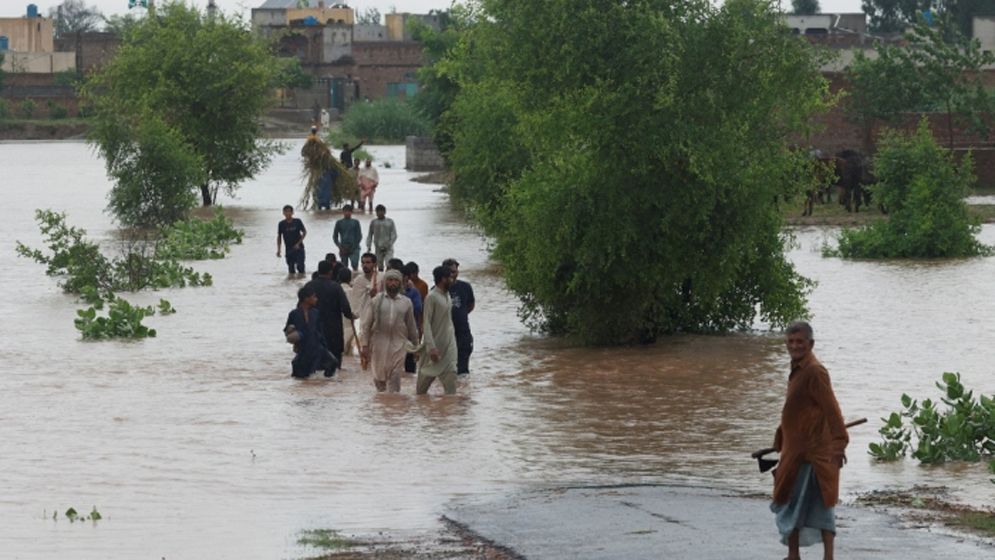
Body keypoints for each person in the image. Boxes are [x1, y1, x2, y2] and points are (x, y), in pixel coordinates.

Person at [769, 321, 849, 560]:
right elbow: (797, 410)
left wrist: (839, 444)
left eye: (800, 342)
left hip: (813, 453)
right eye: (791, 342)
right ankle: (794, 556)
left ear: (810, 344)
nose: (795, 346)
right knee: (792, 503)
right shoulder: (798, 368)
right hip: (795, 451)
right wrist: (781, 439)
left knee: (817, 507)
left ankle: (827, 557)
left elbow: (832, 410)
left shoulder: (815, 371)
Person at [359, 269, 419, 393]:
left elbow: (411, 325)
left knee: (395, 375)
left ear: (400, 283)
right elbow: (366, 324)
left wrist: (416, 346)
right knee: (379, 378)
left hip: (399, 344)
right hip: (378, 343)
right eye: (390, 280)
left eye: (396, 280)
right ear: (385, 282)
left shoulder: (406, 302)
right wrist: (364, 345)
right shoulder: (376, 300)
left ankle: (394, 404)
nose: (393, 283)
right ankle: (384, 405)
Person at [304, 260, 356, 369]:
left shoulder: (309, 286)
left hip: (314, 328)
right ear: (331, 272)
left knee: (315, 361)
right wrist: (351, 316)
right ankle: (334, 383)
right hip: (333, 329)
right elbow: (345, 307)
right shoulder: (336, 287)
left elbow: (301, 307)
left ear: (318, 271)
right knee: (335, 360)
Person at [416, 266, 458, 395]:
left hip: (449, 348)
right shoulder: (432, 297)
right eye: (450, 278)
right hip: (434, 349)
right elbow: (426, 324)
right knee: (421, 392)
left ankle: (450, 413)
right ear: (442, 279)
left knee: (451, 392)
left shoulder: (448, 295)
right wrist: (431, 347)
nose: (453, 280)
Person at [285, 285, 337, 379]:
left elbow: (320, 331)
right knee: (301, 374)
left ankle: (325, 383)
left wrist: (325, 347)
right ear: (306, 299)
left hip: (316, 347)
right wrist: (290, 332)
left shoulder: (316, 313)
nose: (316, 299)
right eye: (314, 297)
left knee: (332, 363)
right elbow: (287, 330)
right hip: (303, 348)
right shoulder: (294, 314)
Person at [443, 258, 475, 375]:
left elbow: (471, 305)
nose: (453, 274)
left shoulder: (465, 287)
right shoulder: (438, 290)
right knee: (447, 368)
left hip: (463, 331)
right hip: (445, 332)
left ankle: (463, 391)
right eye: (450, 272)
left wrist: (461, 314)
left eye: (455, 271)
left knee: (463, 369)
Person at [400, 262, 423, 374]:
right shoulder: (387, 293)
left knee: (409, 368)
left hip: (409, 333)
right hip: (393, 336)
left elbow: (418, 310)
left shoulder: (413, 292)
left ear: (406, 278)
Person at [277, 205, 307, 276]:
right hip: (289, 249)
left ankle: (301, 281)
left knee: (300, 267)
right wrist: (279, 250)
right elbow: (279, 237)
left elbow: (304, 232)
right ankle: (291, 283)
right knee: (291, 270)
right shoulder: (281, 224)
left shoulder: (297, 221)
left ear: (292, 212)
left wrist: (298, 243)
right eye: (286, 212)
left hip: (299, 248)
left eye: (289, 211)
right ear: (283, 213)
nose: (288, 213)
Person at [366, 204, 397, 271]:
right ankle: (381, 278)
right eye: (378, 212)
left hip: (388, 248)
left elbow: (394, 235)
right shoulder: (374, 222)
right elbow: (370, 235)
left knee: (389, 264)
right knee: (379, 265)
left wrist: (390, 243)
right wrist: (369, 246)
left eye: (381, 211)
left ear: (385, 212)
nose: (380, 213)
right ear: (376, 212)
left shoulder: (390, 221)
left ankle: (388, 277)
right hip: (378, 248)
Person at [333, 204, 363, 271]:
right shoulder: (339, 222)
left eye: (349, 211)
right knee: (344, 266)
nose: (347, 213)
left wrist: (353, 247)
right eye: (345, 211)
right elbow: (335, 237)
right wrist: (340, 247)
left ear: (351, 212)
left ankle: (355, 279)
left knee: (354, 264)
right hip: (343, 247)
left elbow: (359, 236)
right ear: (343, 212)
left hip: (354, 247)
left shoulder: (355, 222)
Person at [339, 268, 360, 357]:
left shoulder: (336, 290)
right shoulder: (353, 292)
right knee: (348, 355)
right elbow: (357, 312)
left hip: (336, 328)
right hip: (350, 327)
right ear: (350, 278)